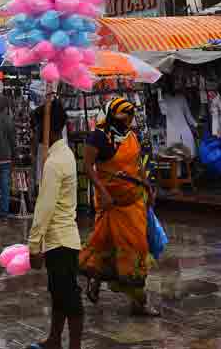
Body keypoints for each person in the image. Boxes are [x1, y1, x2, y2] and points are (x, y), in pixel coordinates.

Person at [80, 97, 158, 317]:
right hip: (111, 205)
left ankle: (136, 302)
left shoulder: (131, 135)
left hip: (133, 202)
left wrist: (148, 188)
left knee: (137, 249)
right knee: (107, 246)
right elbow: (87, 166)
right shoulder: (98, 137)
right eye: (124, 117)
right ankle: (103, 282)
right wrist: (103, 192)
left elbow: (137, 165)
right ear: (112, 116)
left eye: (130, 117)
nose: (128, 121)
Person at [27, 99, 83, 349]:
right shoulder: (64, 154)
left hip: (60, 241)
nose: (34, 133)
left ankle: (74, 345)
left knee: (68, 297)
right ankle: (54, 339)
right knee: (58, 295)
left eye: (36, 127)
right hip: (63, 239)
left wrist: (33, 246)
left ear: (46, 128)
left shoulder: (54, 162)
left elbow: (44, 209)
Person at [160, 81, 197, 159]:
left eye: (172, 86)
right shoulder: (164, 98)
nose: (171, 88)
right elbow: (163, 112)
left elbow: (188, 114)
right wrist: (159, 97)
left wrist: (195, 124)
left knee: (189, 154)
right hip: (172, 131)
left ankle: (189, 168)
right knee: (175, 157)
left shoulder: (181, 97)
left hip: (184, 129)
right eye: (168, 87)